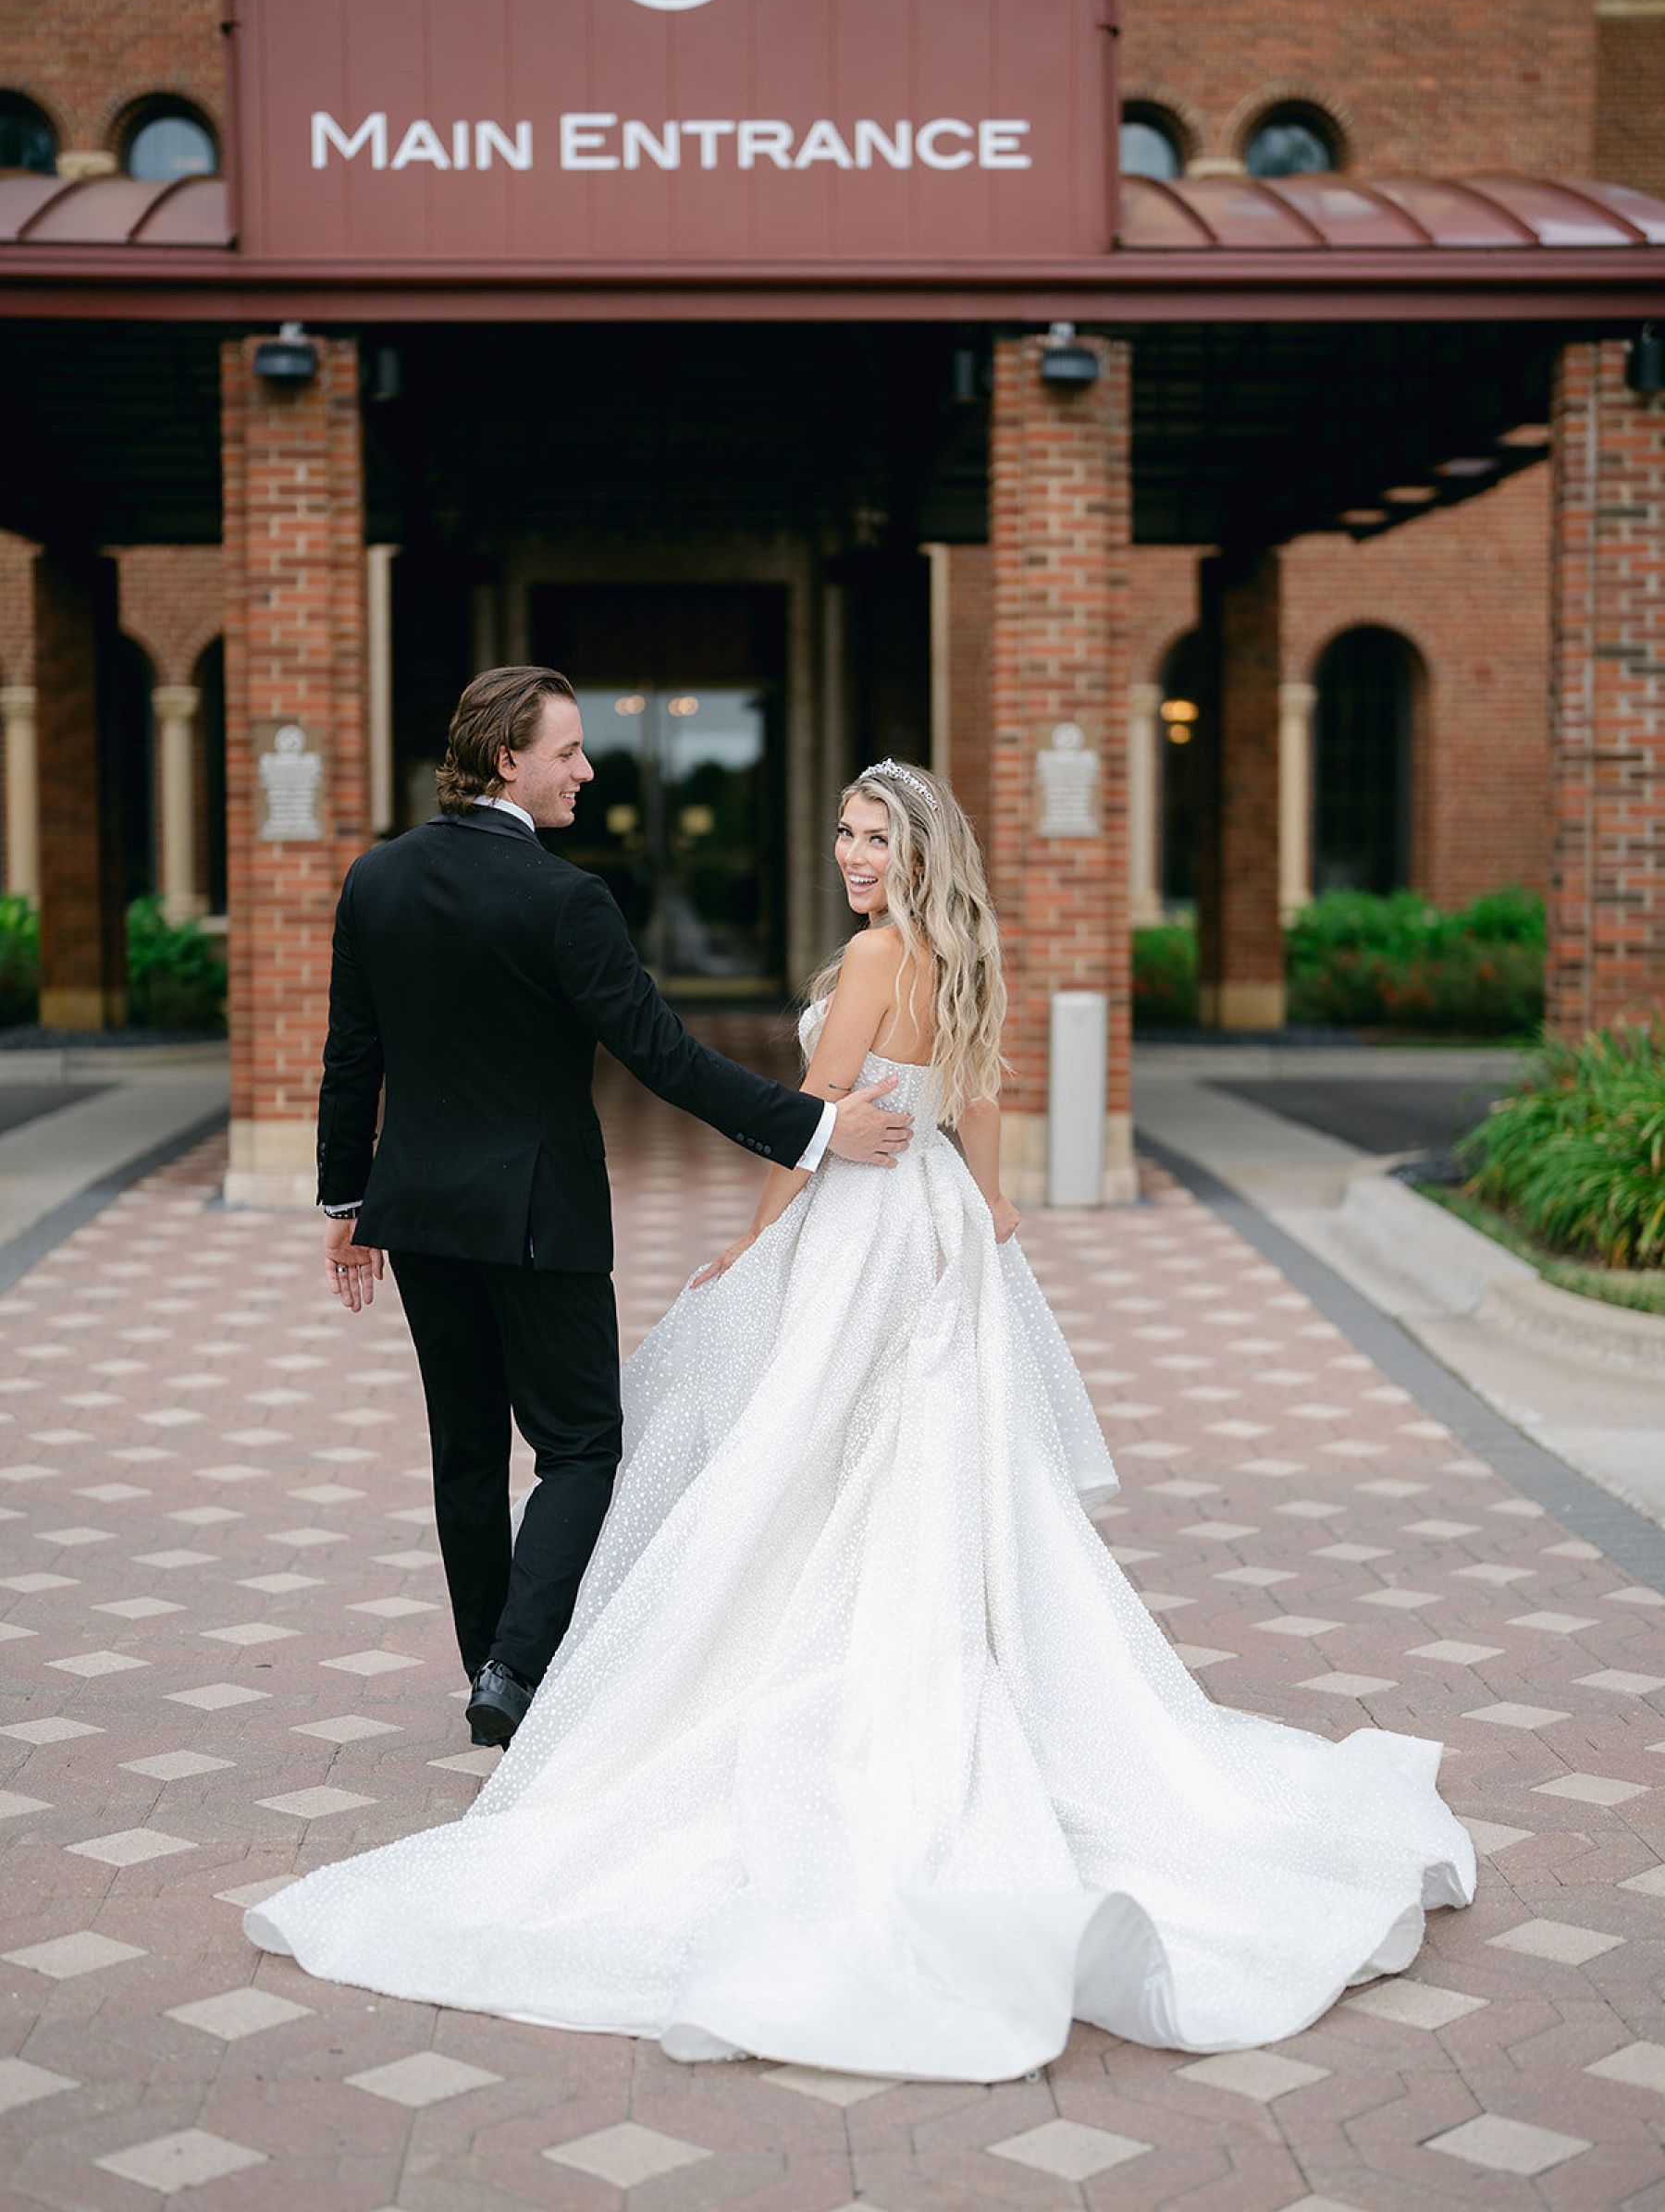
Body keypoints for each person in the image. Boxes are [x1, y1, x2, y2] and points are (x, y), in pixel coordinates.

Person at [251, 757, 1476, 2082]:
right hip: (935, 1223)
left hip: (860, 1234)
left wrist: (752, 1247)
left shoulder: (880, 957)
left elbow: (814, 1128)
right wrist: (992, 1209)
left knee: (793, 1455)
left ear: (918, 853)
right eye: (841, 832)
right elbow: (983, 1095)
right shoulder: (956, 954)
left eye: (874, 837)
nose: (851, 855)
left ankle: (699, 1676)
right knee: (913, 1462)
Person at [312, 666, 912, 1750]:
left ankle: (494, 1666)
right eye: (570, 752)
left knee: (463, 1453)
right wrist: (818, 1128)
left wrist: (345, 1202)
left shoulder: (376, 879)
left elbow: (352, 1053)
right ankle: (515, 1666)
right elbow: (663, 1058)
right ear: (509, 759)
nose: (589, 771)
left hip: (420, 1216)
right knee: (582, 1448)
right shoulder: (564, 899)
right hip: (541, 1218)